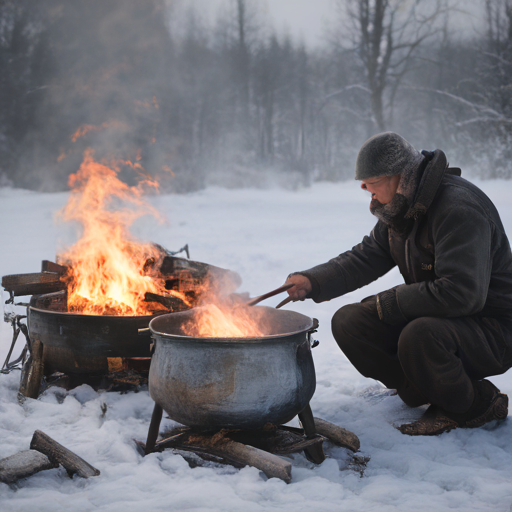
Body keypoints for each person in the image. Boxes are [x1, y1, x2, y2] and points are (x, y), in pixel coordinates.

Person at [285, 132, 512, 436]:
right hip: (443, 316)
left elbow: (462, 293)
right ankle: (420, 388)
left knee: (420, 334)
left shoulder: (458, 209)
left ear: (399, 176)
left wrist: (392, 301)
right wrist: (312, 281)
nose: (364, 187)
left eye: (371, 180)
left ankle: (475, 403)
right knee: (349, 321)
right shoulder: (403, 208)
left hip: (493, 327)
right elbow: (365, 257)